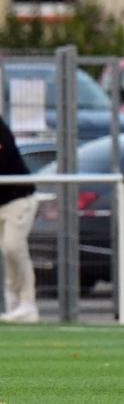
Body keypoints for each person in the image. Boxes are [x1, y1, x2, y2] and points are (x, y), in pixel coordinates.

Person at [0, 116, 40, 323]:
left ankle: (27, 303)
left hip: (18, 198)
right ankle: (12, 300)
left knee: (13, 246)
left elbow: (3, 154)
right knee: (7, 253)